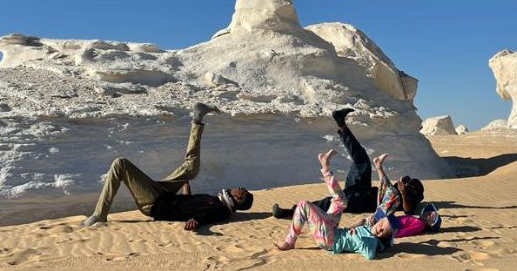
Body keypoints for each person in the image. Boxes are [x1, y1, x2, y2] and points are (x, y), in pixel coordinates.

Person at [81, 103, 253, 230]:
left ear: (237, 200)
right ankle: (197, 118)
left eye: (241, 191)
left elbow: (205, 215)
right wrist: (185, 185)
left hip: (155, 203)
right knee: (191, 168)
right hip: (166, 195)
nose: (239, 187)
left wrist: (196, 222)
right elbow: (189, 204)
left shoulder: (220, 210)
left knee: (120, 164)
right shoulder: (217, 200)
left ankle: (100, 214)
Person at [271, 107, 425, 219]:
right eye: (409, 182)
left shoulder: (410, 199)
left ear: (415, 192)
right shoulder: (402, 188)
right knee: (362, 160)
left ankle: (290, 212)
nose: (407, 184)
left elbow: (408, 211)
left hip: (362, 202)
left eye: (411, 185)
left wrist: (404, 192)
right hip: (365, 189)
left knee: (328, 203)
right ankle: (341, 124)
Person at [274, 149, 396, 260]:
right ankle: (325, 166)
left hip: (329, 240)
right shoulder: (370, 228)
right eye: (381, 226)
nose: (380, 230)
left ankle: (289, 242)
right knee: (341, 200)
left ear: (382, 237)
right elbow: (359, 225)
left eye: (383, 232)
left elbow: (370, 255)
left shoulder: (372, 241)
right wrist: (359, 224)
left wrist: (360, 239)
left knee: (303, 205)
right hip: (334, 230)